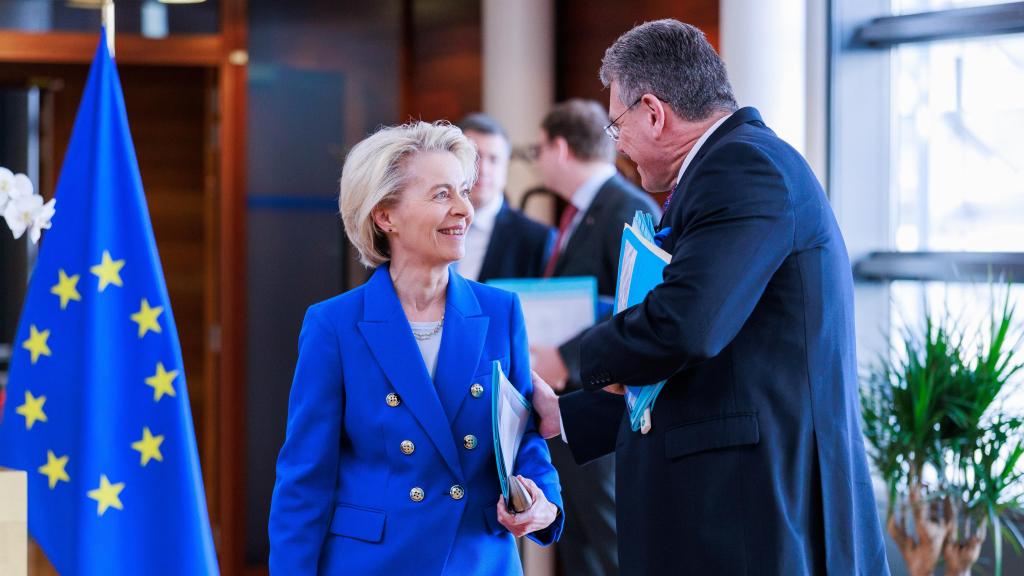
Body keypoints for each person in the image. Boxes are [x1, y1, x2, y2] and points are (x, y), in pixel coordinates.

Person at [531, 20, 890, 575]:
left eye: (617, 124)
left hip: (752, 516)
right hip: (734, 507)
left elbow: (688, 325)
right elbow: (709, 365)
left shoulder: (743, 167)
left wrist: (569, 358)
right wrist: (565, 418)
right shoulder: (725, 170)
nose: (618, 145)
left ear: (653, 112)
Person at [269, 121, 563, 575]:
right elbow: (304, 481)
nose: (465, 209)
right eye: (442, 195)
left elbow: (521, 437)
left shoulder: (501, 310)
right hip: (373, 563)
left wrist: (545, 502)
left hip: (476, 560)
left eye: (464, 191)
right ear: (386, 216)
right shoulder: (334, 325)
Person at [529, 98, 659, 575]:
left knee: (606, 545)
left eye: (537, 149)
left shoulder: (627, 208)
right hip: (571, 410)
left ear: (560, 149)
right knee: (580, 543)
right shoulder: (580, 212)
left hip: (600, 405)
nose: (537, 160)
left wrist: (567, 359)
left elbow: (642, 306)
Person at [456, 113, 553, 282]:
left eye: (494, 159)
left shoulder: (536, 239)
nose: (483, 169)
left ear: (505, 165)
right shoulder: (430, 224)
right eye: (475, 157)